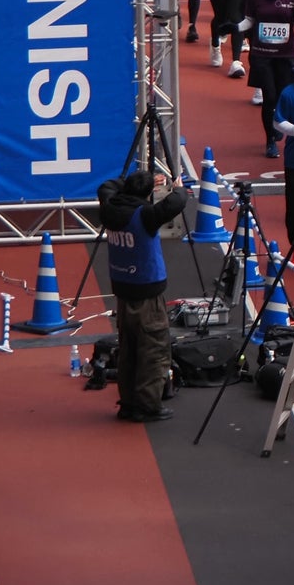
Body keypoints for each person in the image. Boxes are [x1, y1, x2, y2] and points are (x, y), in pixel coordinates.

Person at [95, 164, 190, 422]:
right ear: (148, 194)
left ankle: (128, 401)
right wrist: (177, 187)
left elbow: (106, 186)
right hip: (147, 290)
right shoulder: (145, 215)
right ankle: (148, 405)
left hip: (122, 287)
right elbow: (177, 202)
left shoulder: (110, 207)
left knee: (128, 348)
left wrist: (131, 181)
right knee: (154, 350)